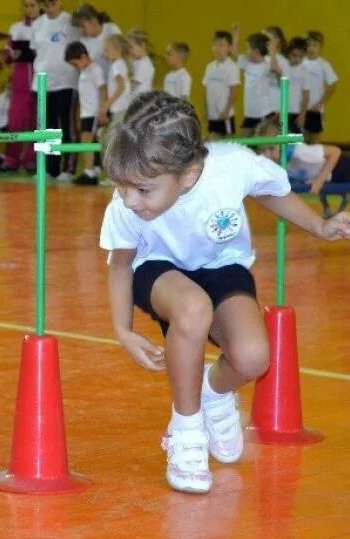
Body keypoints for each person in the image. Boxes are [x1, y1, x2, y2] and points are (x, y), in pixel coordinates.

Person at [99, 91, 350, 494]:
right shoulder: (126, 205)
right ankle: (186, 431)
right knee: (193, 307)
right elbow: (121, 262)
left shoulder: (232, 164)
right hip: (157, 269)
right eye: (121, 186)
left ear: (189, 175)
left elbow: (268, 189)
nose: (129, 200)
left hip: (222, 267)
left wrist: (319, 226)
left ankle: (212, 392)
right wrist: (123, 330)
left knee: (253, 357)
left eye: (143, 190)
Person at [30, 0, 79, 181]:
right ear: (42, 5)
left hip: (66, 82)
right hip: (41, 83)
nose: (50, 6)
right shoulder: (37, 24)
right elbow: (37, 52)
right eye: (46, 3)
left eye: (53, 2)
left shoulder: (70, 22)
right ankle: (48, 168)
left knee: (66, 125)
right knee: (45, 127)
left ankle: (68, 168)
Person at [0, 0, 39, 174]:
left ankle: (32, 159)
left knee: (37, 121)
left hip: (42, 79)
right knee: (15, 121)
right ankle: (11, 159)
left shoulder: (47, 27)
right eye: (26, 5)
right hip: (20, 81)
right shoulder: (16, 28)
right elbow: (6, 54)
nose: (29, 9)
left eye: (33, 5)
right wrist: (11, 54)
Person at [256, 119, 348, 194]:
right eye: (263, 150)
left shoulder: (299, 151)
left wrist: (319, 180)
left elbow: (336, 151)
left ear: (283, 145)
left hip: (341, 168)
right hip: (331, 175)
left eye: (271, 148)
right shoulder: (276, 160)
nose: (267, 155)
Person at [64, 41, 105, 185]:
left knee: (87, 141)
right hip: (86, 112)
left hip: (93, 112)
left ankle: (90, 172)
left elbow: (102, 90)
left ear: (83, 56)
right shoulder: (84, 72)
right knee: (87, 141)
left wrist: (102, 109)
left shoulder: (95, 70)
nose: (75, 67)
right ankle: (92, 170)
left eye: (75, 64)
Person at [235, 30, 273, 136]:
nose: (245, 51)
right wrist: (235, 35)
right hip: (250, 113)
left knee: (262, 141)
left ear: (256, 51)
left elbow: (274, 63)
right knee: (244, 141)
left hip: (263, 113)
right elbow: (234, 52)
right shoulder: (246, 63)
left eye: (247, 48)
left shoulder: (267, 64)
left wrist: (271, 46)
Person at [202, 30, 240, 137]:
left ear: (229, 48)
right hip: (212, 115)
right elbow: (206, 90)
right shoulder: (209, 67)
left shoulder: (232, 67)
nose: (217, 48)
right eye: (215, 45)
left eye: (221, 45)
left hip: (224, 115)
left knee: (227, 144)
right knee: (213, 142)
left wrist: (227, 110)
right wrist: (205, 110)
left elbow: (234, 92)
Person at [303, 31, 338, 144]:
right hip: (300, 110)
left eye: (315, 45)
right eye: (308, 45)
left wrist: (320, 103)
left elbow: (332, 85)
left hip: (315, 110)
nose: (311, 48)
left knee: (314, 142)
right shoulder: (300, 63)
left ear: (320, 47)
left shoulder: (324, 64)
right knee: (300, 142)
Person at [72, 3, 121, 74]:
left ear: (93, 21)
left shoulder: (111, 29)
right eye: (79, 27)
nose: (81, 31)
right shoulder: (83, 41)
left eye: (83, 26)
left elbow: (122, 55)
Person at [262, 25, 290, 117]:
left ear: (277, 40)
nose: (265, 43)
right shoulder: (260, 59)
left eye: (268, 39)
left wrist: (272, 52)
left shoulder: (284, 61)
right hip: (262, 107)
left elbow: (284, 86)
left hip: (278, 107)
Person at [284, 37, 309, 134]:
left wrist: (302, 115)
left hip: (295, 112)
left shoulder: (304, 71)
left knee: (294, 144)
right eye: (294, 55)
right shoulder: (282, 65)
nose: (297, 59)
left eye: (300, 56)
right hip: (278, 111)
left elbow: (306, 95)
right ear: (288, 53)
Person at [127, 28, 154, 96]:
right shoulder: (135, 61)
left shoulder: (145, 64)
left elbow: (133, 85)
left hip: (141, 103)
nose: (129, 51)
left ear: (142, 45)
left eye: (131, 47)